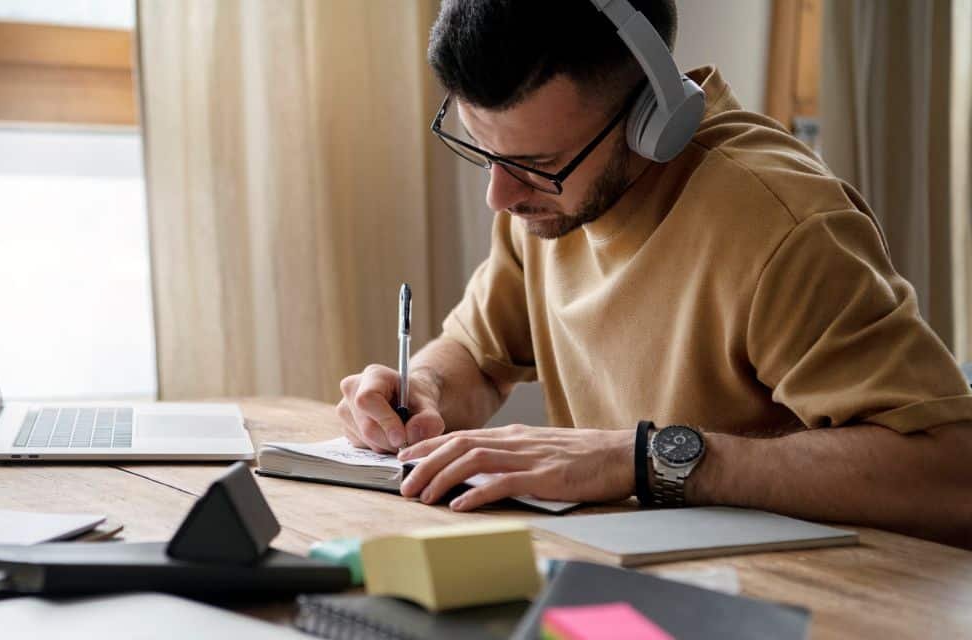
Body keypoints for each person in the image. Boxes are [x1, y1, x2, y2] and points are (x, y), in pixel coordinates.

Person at [335, 0, 972, 548]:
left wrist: (644, 459)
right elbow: (476, 355)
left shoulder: (785, 226)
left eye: (535, 162)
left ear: (651, 120)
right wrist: (424, 394)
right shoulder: (546, 203)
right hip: (631, 582)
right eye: (483, 151)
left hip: (812, 605)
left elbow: (952, 476)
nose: (498, 197)